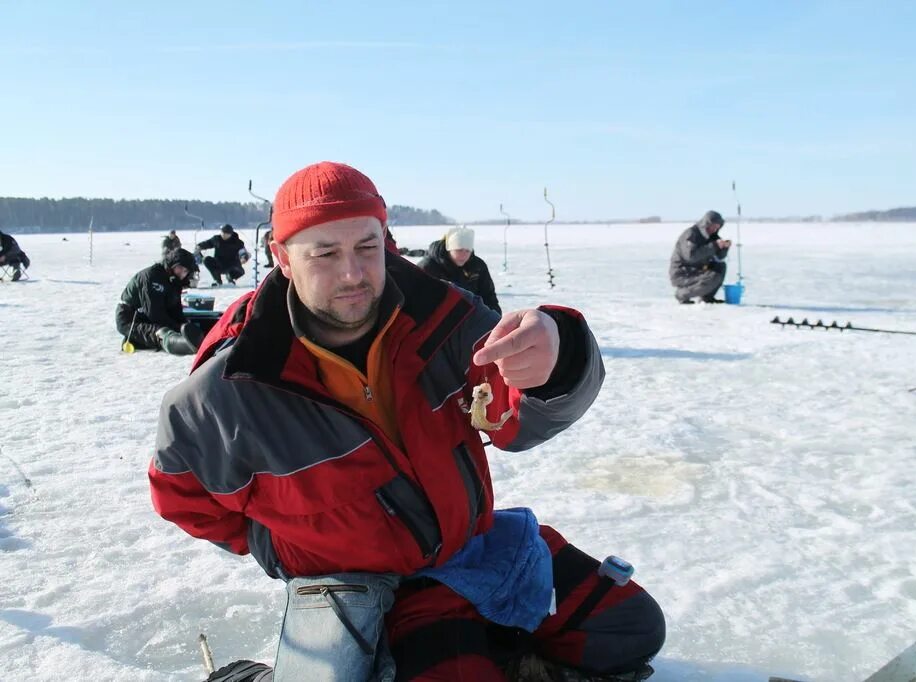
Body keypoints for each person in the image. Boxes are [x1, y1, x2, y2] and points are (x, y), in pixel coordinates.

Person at [149, 161, 664, 682]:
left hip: (473, 552)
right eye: (325, 253)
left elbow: (517, 420)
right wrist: (288, 546)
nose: (352, 273)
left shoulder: (446, 321)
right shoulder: (225, 393)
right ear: (281, 257)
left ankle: (480, 646)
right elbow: (183, 499)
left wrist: (558, 359)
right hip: (359, 592)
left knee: (630, 630)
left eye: (367, 247)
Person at [115, 247, 205, 355]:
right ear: (172, 265)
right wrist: (177, 328)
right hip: (130, 318)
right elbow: (154, 314)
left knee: (176, 326)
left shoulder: (174, 281)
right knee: (162, 332)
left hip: (148, 317)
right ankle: (186, 346)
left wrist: (183, 326)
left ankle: (138, 340)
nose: (182, 273)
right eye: (180, 268)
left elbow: (175, 310)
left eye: (186, 271)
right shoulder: (152, 276)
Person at [418, 226, 501, 314]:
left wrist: (496, 320)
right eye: (459, 250)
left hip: (471, 317)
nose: (464, 255)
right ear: (449, 249)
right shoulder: (428, 267)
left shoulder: (477, 266)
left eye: (467, 251)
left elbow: (489, 296)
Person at [669, 210, 732, 304]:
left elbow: (719, 257)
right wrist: (714, 246)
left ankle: (707, 297)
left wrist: (723, 248)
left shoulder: (712, 236)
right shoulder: (691, 234)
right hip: (683, 273)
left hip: (698, 270)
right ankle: (682, 294)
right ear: (706, 223)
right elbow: (690, 257)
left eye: (717, 227)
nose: (714, 229)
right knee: (712, 276)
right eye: (713, 226)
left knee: (720, 267)